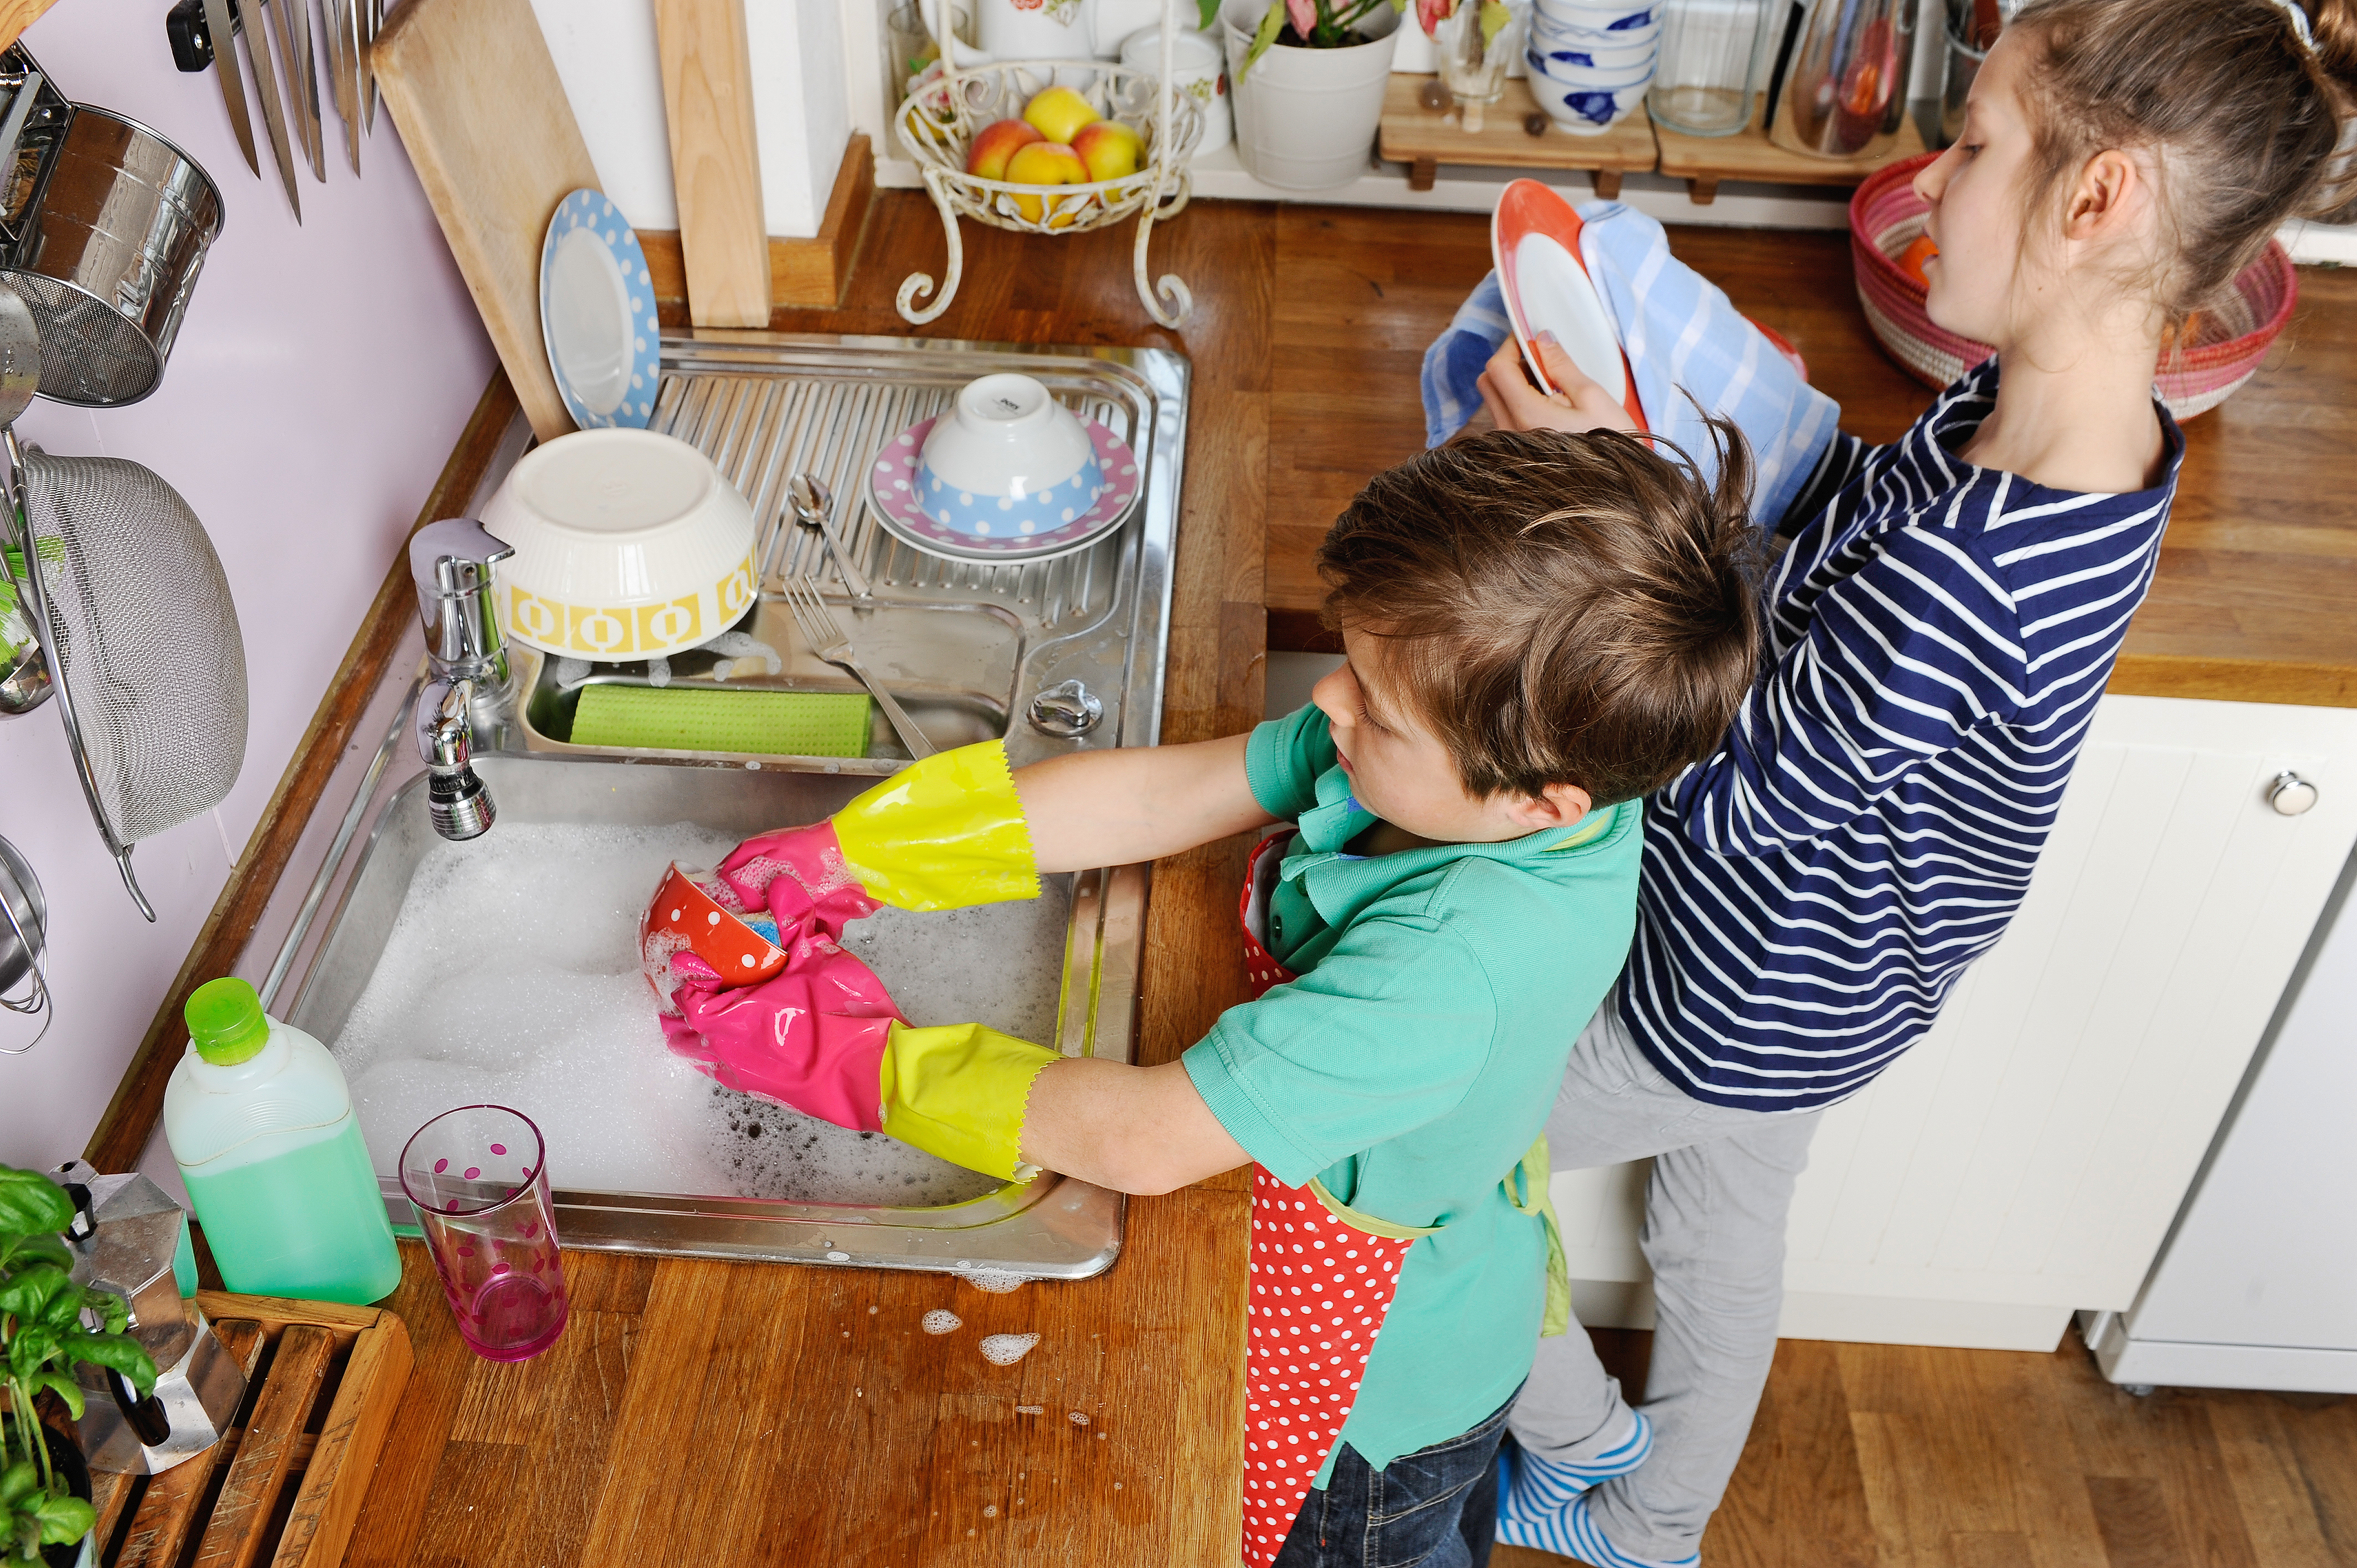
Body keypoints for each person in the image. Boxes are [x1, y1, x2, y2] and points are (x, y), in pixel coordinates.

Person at [1471, 1, 2357, 1564]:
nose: (1931, 181)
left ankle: (1586, 1440)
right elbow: (1823, 570)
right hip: (1854, 976)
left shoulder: (1973, 562)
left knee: (1436, 1146)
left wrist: (1612, 505)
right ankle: (1656, 1522)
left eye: (1974, 144)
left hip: (1741, 983)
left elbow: (1727, 791)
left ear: (2097, 201)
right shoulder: (2066, 432)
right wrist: (1668, 453)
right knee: (1721, 1235)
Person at [645, 428, 1762, 1568]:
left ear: (1540, 801)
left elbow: (1141, 1137)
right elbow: (1163, 794)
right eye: (1349, 665)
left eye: (1374, 708)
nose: (1327, 697)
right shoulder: (1493, 766)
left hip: (1367, 1411)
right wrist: (861, 857)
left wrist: (839, 1057)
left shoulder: (1453, 963)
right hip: (1450, 1283)